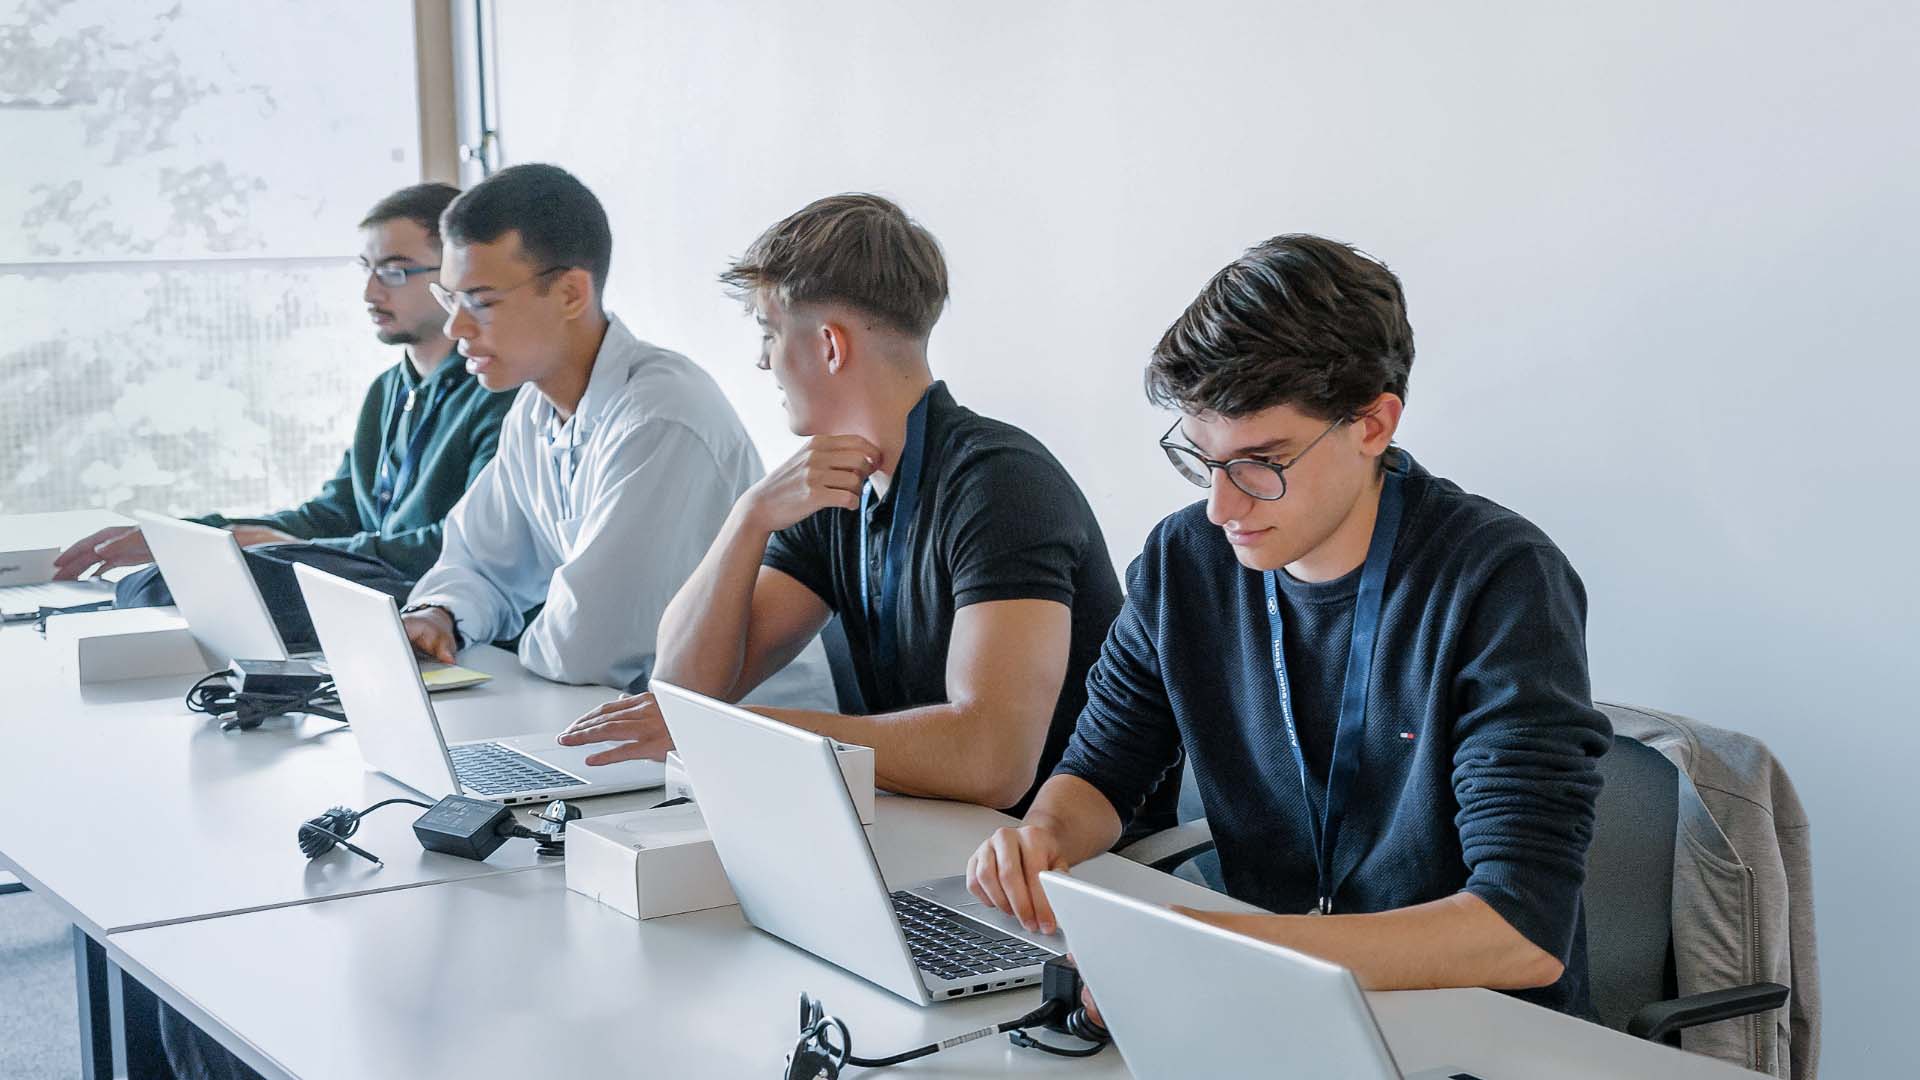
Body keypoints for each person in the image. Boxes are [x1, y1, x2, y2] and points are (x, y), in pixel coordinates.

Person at [965, 235, 1610, 1016]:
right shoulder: (1184, 561)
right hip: (1276, 998)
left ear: (1373, 424)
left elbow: (1520, 930)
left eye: (1261, 464)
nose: (1221, 506)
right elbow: (1102, 773)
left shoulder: (1501, 582)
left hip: (1468, 1021)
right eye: (1202, 460)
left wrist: (1222, 954)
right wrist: (1040, 837)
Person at [557, 194, 1167, 823]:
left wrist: (750, 731)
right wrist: (748, 518)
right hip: (928, 835)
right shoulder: (829, 488)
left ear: (829, 346)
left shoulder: (999, 484)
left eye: (769, 332)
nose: (762, 360)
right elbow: (686, 693)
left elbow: (992, 762)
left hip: (1054, 860)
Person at [401, 163, 820, 697]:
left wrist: (509, 641)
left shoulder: (660, 417)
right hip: (622, 711)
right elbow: (481, 562)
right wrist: (439, 614)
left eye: (480, 302)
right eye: (450, 299)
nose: (455, 328)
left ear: (571, 293)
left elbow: (588, 647)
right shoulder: (533, 411)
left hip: (741, 728)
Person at [52, 182, 513, 586]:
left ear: (455, 276)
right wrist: (189, 536)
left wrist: (292, 550)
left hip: (448, 619)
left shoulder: (498, 391)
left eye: (394, 271)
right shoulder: (388, 390)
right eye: (366, 269)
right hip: (377, 607)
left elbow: (461, 547)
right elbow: (334, 515)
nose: (370, 293)